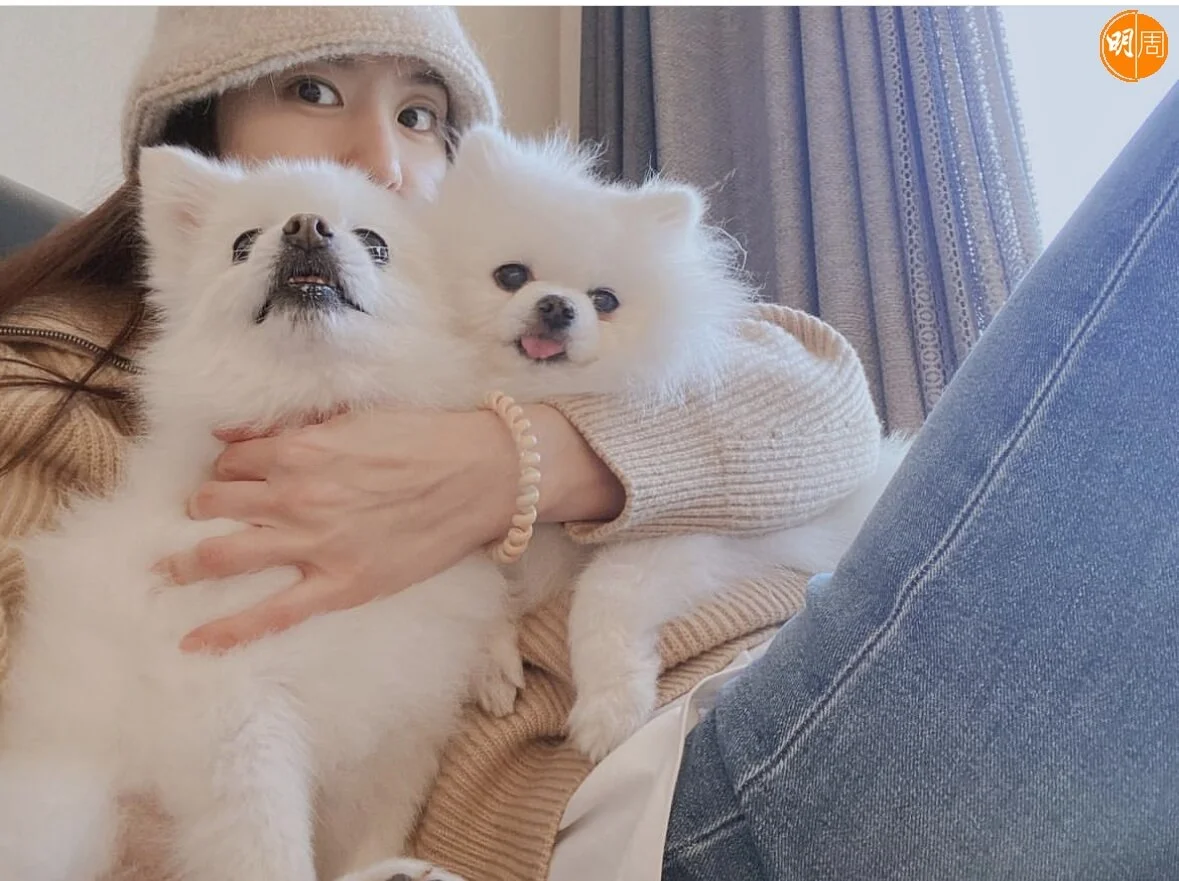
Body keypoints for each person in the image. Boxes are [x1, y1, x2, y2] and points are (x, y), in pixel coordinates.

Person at [0, 7, 879, 880]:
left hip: (796, 657)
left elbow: (828, 400)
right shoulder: (69, 382)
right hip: (680, 774)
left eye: (418, 115)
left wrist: (523, 461)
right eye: (313, 91)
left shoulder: (485, 314)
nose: (381, 156)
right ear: (203, 123)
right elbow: (55, 702)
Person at [662, 80, 1179, 879]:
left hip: (805, 680)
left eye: (425, 118)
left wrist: (539, 458)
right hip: (714, 791)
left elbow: (832, 404)